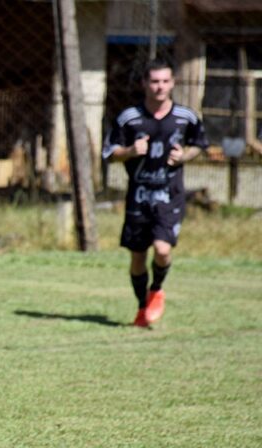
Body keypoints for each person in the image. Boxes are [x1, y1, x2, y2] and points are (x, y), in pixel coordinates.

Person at [103, 58, 208, 327]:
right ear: (144, 84)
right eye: (154, 81)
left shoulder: (186, 117)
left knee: (162, 250)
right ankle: (141, 308)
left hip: (169, 196)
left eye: (164, 81)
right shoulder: (129, 118)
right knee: (138, 256)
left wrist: (185, 155)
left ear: (172, 83)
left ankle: (157, 290)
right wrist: (129, 152)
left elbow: (199, 144)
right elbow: (109, 153)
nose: (160, 87)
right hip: (138, 197)